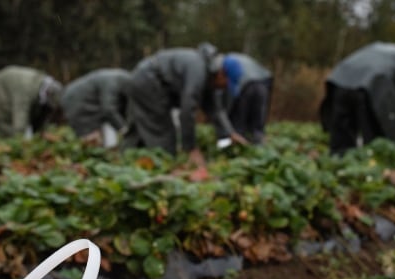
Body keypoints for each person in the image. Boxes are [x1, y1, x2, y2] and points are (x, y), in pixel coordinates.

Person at [124, 42, 248, 180]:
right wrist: (191, 149)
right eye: (226, 84)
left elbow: (215, 109)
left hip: (145, 79)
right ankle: (163, 175)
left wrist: (230, 133)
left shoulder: (208, 74)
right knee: (163, 135)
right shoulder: (198, 70)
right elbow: (188, 110)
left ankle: (124, 163)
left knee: (138, 132)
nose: (224, 88)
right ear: (221, 74)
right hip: (148, 81)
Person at [319, 42, 395, 155]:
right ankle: (377, 170)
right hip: (374, 82)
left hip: (339, 79)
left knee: (341, 143)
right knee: (381, 143)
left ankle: (341, 169)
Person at [0, 65, 62, 139]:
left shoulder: (43, 86)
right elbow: (20, 117)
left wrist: (41, 133)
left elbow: (42, 114)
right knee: (5, 124)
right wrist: (23, 142)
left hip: (14, 85)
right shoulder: (27, 90)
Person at [60, 68, 132, 148]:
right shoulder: (113, 82)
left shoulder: (120, 81)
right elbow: (109, 109)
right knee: (92, 142)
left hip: (88, 102)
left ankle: (106, 152)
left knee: (105, 141)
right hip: (77, 103)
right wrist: (124, 129)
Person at [217, 53, 274, 145]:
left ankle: (234, 144)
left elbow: (228, 99)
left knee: (239, 125)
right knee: (257, 127)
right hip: (263, 84)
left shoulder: (226, 67)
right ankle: (256, 144)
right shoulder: (237, 61)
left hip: (248, 87)